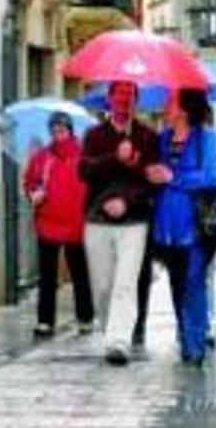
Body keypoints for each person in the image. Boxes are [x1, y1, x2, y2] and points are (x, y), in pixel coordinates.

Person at [79, 81, 160, 366]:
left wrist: (126, 201)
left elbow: (150, 182)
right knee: (102, 286)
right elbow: (85, 171)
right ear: (109, 100)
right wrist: (116, 158)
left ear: (136, 101)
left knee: (126, 283)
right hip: (97, 220)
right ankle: (109, 328)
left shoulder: (148, 137)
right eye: (119, 96)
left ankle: (118, 340)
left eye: (130, 97)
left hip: (134, 222)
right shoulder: (94, 135)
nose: (124, 102)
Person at [149, 89, 216, 366]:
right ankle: (186, 334)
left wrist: (174, 177)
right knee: (177, 284)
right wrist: (151, 174)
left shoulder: (208, 138)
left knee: (194, 282)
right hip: (165, 225)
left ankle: (195, 344)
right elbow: (156, 174)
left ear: (183, 108)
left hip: (196, 225)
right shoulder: (163, 139)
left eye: (169, 101)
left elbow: (213, 177)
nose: (164, 106)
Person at [23, 112, 95, 338]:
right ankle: (45, 321)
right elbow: (30, 181)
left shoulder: (84, 156)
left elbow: (94, 185)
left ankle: (85, 318)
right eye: (54, 131)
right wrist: (32, 192)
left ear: (70, 131)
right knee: (47, 275)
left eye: (62, 130)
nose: (58, 135)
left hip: (76, 223)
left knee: (79, 273)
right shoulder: (42, 157)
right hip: (48, 222)